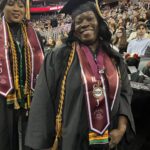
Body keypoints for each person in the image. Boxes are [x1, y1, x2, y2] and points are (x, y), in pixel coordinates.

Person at [25, 0, 135, 150]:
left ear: (99, 22)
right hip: (72, 140)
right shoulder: (59, 57)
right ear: (73, 28)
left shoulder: (114, 58)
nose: (84, 24)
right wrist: (43, 143)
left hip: (108, 140)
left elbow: (124, 94)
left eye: (89, 18)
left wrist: (121, 129)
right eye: (79, 21)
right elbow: (43, 100)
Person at [0, 0, 44, 150]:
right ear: (2, 7)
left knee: (30, 138)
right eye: (11, 4)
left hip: (29, 95)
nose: (16, 9)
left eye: (20, 5)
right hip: (3, 96)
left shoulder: (35, 35)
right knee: (4, 138)